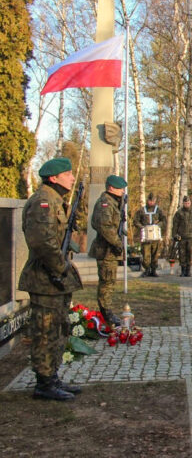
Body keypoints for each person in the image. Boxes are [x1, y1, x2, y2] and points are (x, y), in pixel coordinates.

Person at [19, 157, 84, 400]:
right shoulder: (42, 202)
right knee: (45, 330)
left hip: (54, 277)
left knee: (57, 328)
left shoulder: (55, 200)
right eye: (67, 174)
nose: (72, 178)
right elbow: (42, 242)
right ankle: (44, 383)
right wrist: (61, 267)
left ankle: (51, 376)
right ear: (53, 177)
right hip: (44, 277)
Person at [89, 174, 129, 326]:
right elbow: (104, 226)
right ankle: (106, 313)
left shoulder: (113, 202)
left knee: (110, 282)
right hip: (106, 250)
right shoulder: (105, 203)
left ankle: (107, 311)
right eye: (120, 188)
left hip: (110, 250)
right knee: (107, 282)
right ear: (111, 188)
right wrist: (117, 243)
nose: (123, 191)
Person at [131, 192, 167, 277]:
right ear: (147, 200)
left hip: (156, 235)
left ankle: (153, 270)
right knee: (145, 254)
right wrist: (142, 227)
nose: (151, 202)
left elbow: (164, 220)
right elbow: (135, 221)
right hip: (145, 236)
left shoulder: (158, 210)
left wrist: (158, 225)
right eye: (150, 201)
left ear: (155, 201)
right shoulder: (142, 210)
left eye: (153, 201)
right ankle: (146, 269)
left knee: (155, 254)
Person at [172, 195, 192, 277]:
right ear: (183, 203)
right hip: (181, 236)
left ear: (190, 203)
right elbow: (175, 225)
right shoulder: (179, 213)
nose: (187, 204)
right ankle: (183, 270)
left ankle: (188, 270)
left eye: (188, 203)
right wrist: (174, 235)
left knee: (189, 253)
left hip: (191, 236)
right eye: (185, 203)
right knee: (182, 253)